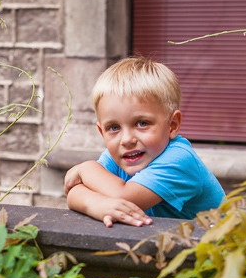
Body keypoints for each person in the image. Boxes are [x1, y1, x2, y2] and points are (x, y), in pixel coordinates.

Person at [64, 56, 225, 227]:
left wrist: (85, 168)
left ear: (172, 125)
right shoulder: (118, 156)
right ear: (101, 131)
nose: (126, 140)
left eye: (142, 123)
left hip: (220, 249)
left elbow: (123, 197)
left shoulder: (180, 159)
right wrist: (98, 204)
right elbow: (73, 193)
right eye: (113, 127)